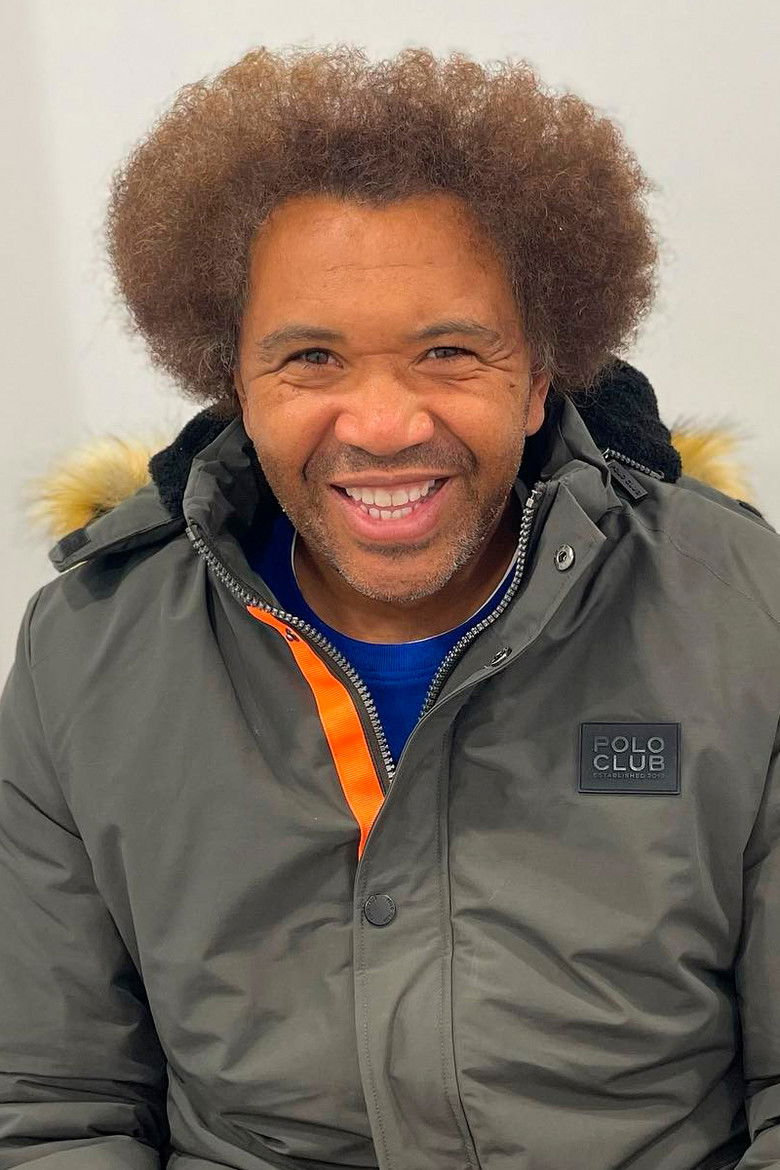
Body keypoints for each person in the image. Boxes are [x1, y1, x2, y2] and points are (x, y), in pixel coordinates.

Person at [0, 45, 777, 1170]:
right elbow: (51, 1105)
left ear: (539, 378)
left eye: (448, 352)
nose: (382, 425)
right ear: (235, 386)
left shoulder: (744, 619)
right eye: (312, 358)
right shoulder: (86, 655)